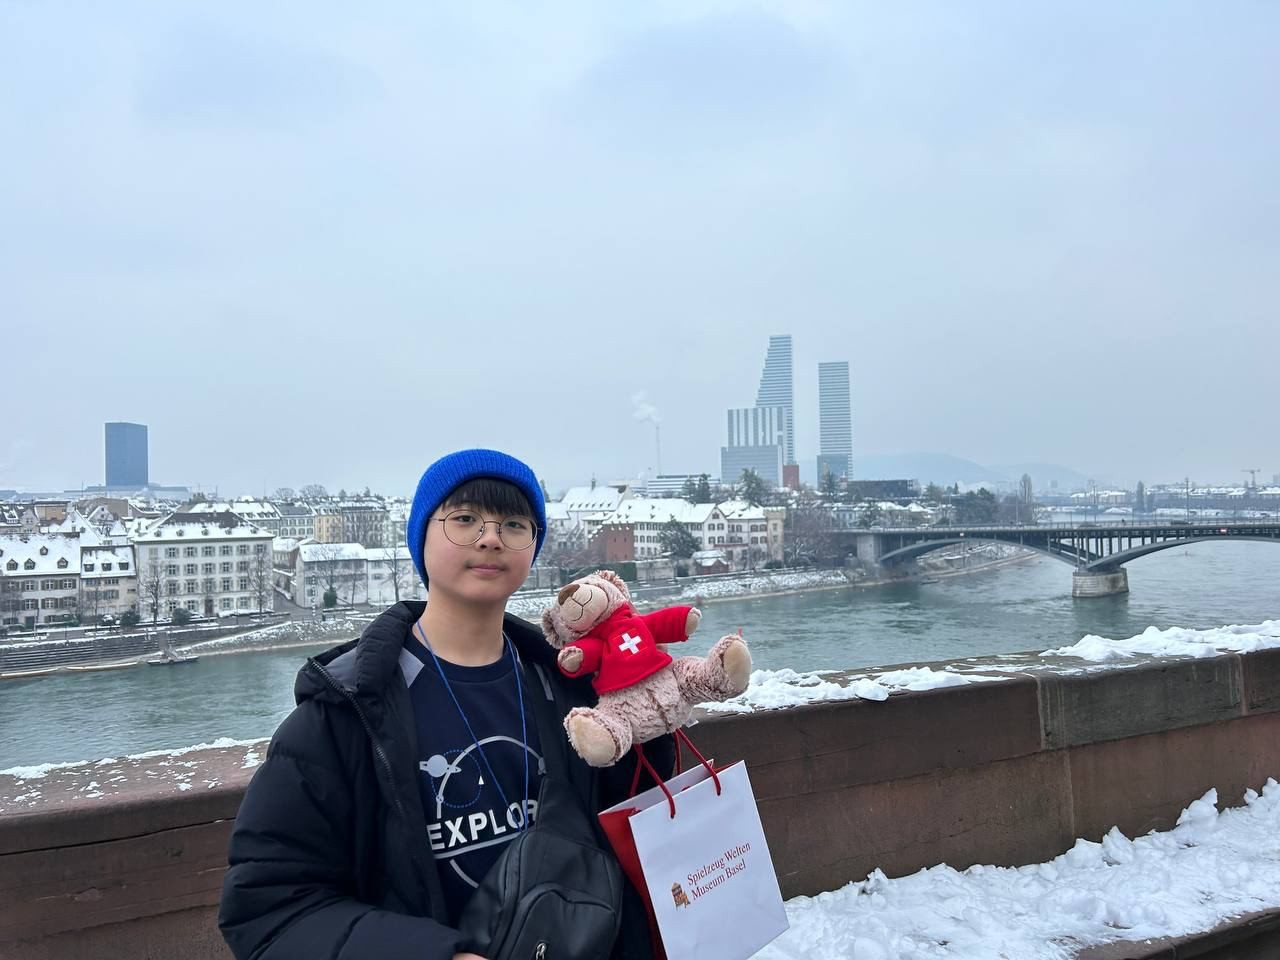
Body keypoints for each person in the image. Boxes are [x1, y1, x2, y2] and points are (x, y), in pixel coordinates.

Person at [219, 449, 670, 960]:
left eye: (514, 524)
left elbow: (630, 820)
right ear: (421, 538)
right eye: (464, 518)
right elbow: (269, 909)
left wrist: (648, 710)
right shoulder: (343, 713)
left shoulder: (570, 686)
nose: (491, 537)